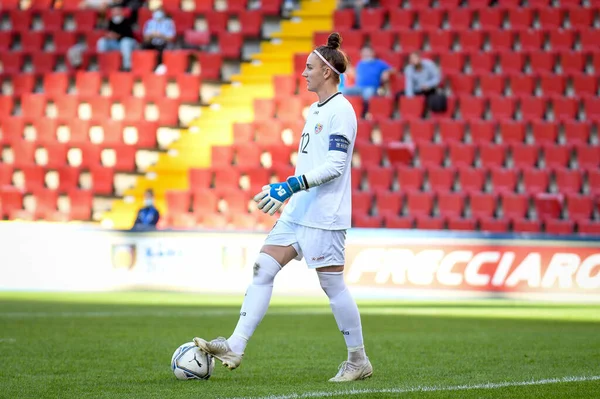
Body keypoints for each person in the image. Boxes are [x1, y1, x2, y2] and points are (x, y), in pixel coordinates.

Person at [193, 32, 373, 383]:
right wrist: (289, 190)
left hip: (325, 214)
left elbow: (336, 164)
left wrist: (291, 184)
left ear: (327, 72)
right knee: (263, 268)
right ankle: (235, 345)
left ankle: (358, 360)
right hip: (298, 210)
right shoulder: (315, 109)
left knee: (332, 285)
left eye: (309, 68)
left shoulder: (342, 110)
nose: (303, 73)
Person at [95, 5, 138, 71]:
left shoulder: (127, 21)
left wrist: (117, 36)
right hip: (115, 43)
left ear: (121, 12)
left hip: (128, 43)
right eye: (114, 11)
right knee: (101, 42)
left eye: (118, 11)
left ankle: (127, 67)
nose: (116, 13)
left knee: (125, 42)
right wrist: (109, 36)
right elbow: (106, 32)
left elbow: (129, 35)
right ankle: (102, 64)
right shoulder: (109, 22)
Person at [142, 8, 176, 75]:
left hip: (164, 43)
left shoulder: (169, 23)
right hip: (152, 43)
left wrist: (161, 36)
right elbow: (145, 38)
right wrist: (152, 35)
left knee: (164, 48)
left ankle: (161, 67)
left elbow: (171, 38)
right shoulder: (149, 23)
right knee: (145, 46)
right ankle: (147, 67)